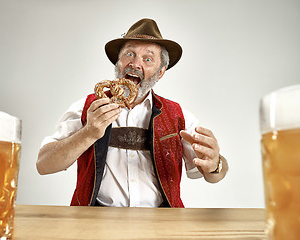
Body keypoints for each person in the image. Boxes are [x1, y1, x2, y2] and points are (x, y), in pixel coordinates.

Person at [37, 18, 228, 208]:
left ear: (160, 72)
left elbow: (214, 175)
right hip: (94, 223)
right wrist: (88, 133)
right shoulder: (87, 108)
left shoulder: (178, 116)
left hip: (163, 224)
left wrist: (215, 164)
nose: (135, 64)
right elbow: (44, 164)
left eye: (148, 58)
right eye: (129, 54)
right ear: (118, 62)